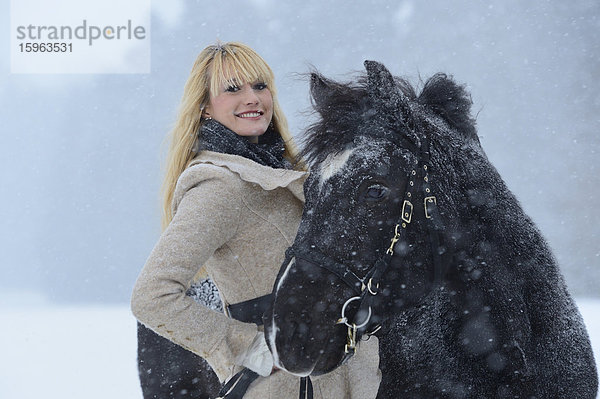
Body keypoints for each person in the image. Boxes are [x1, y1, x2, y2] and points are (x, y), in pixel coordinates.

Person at [131, 42, 381, 398]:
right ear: (203, 107)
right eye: (232, 89)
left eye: (260, 86)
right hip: (284, 386)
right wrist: (251, 347)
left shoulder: (293, 172)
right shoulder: (218, 187)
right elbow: (151, 296)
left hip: (340, 374)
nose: (251, 98)